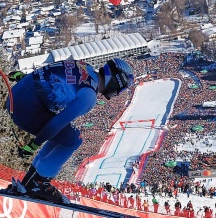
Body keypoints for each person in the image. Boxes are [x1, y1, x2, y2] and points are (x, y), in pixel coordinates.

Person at [8, 58, 134, 203]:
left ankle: (30, 180)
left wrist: (24, 78)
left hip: (16, 95)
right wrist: (34, 144)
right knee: (74, 139)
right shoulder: (89, 96)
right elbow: (57, 123)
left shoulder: (84, 66)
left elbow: (48, 74)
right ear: (115, 81)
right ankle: (39, 183)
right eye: (121, 88)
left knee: (64, 136)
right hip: (24, 110)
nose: (118, 94)